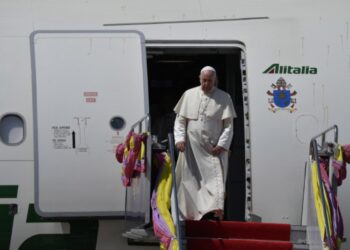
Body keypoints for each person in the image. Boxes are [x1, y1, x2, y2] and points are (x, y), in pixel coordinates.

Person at [173, 66, 236, 221]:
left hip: (212, 149)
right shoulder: (189, 94)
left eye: (210, 81)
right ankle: (187, 215)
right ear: (199, 78)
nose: (206, 84)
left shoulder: (224, 97)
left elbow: (228, 125)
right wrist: (180, 139)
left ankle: (212, 213)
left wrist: (222, 144)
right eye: (204, 80)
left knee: (214, 181)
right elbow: (180, 121)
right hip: (191, 148)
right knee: (189, 181)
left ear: (215, 80)